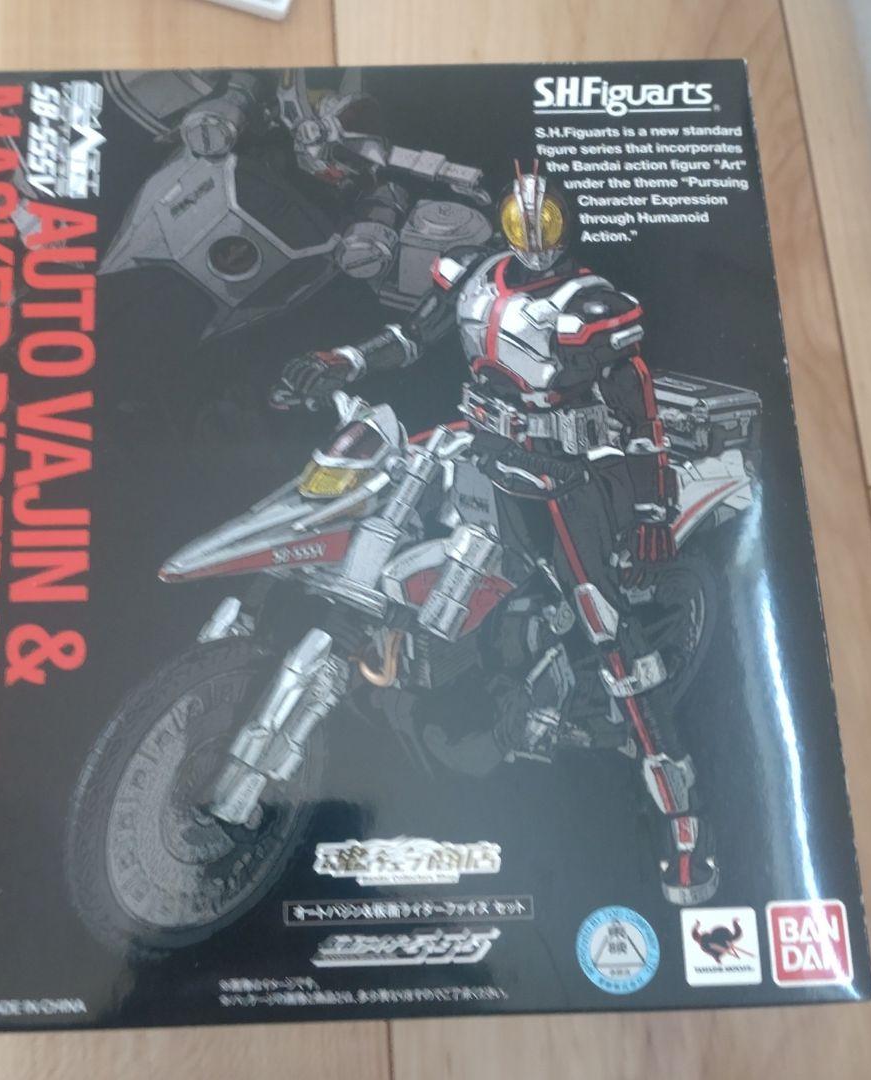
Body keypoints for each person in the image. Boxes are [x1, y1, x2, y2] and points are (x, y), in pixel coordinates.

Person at [269, 161, 718, 905]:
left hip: (559, 475)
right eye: (522, 221)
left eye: (546, 221)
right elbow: (410, 336)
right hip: (477, 444)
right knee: (383, 500)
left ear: (565, 221)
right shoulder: (473, 272)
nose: (534, 234)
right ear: (507, 221)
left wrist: (647, 511)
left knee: (612, 638)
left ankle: (683, 831)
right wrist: (343, 359)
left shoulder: (590, 303)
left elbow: (637, 409)